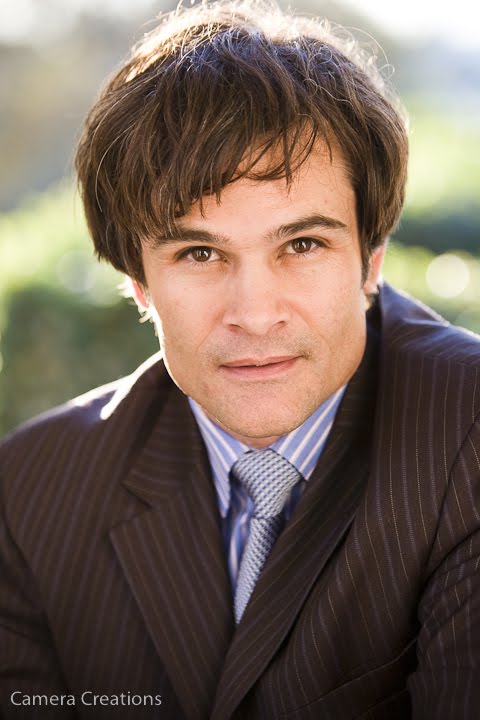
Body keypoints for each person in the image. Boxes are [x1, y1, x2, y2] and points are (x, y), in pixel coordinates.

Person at [1, 1, 479, 718]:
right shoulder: (31, 490)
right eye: (200, 253)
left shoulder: (469, 433)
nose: (254, 314)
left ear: (371, 259)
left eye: (303, 245)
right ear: (139, 281)